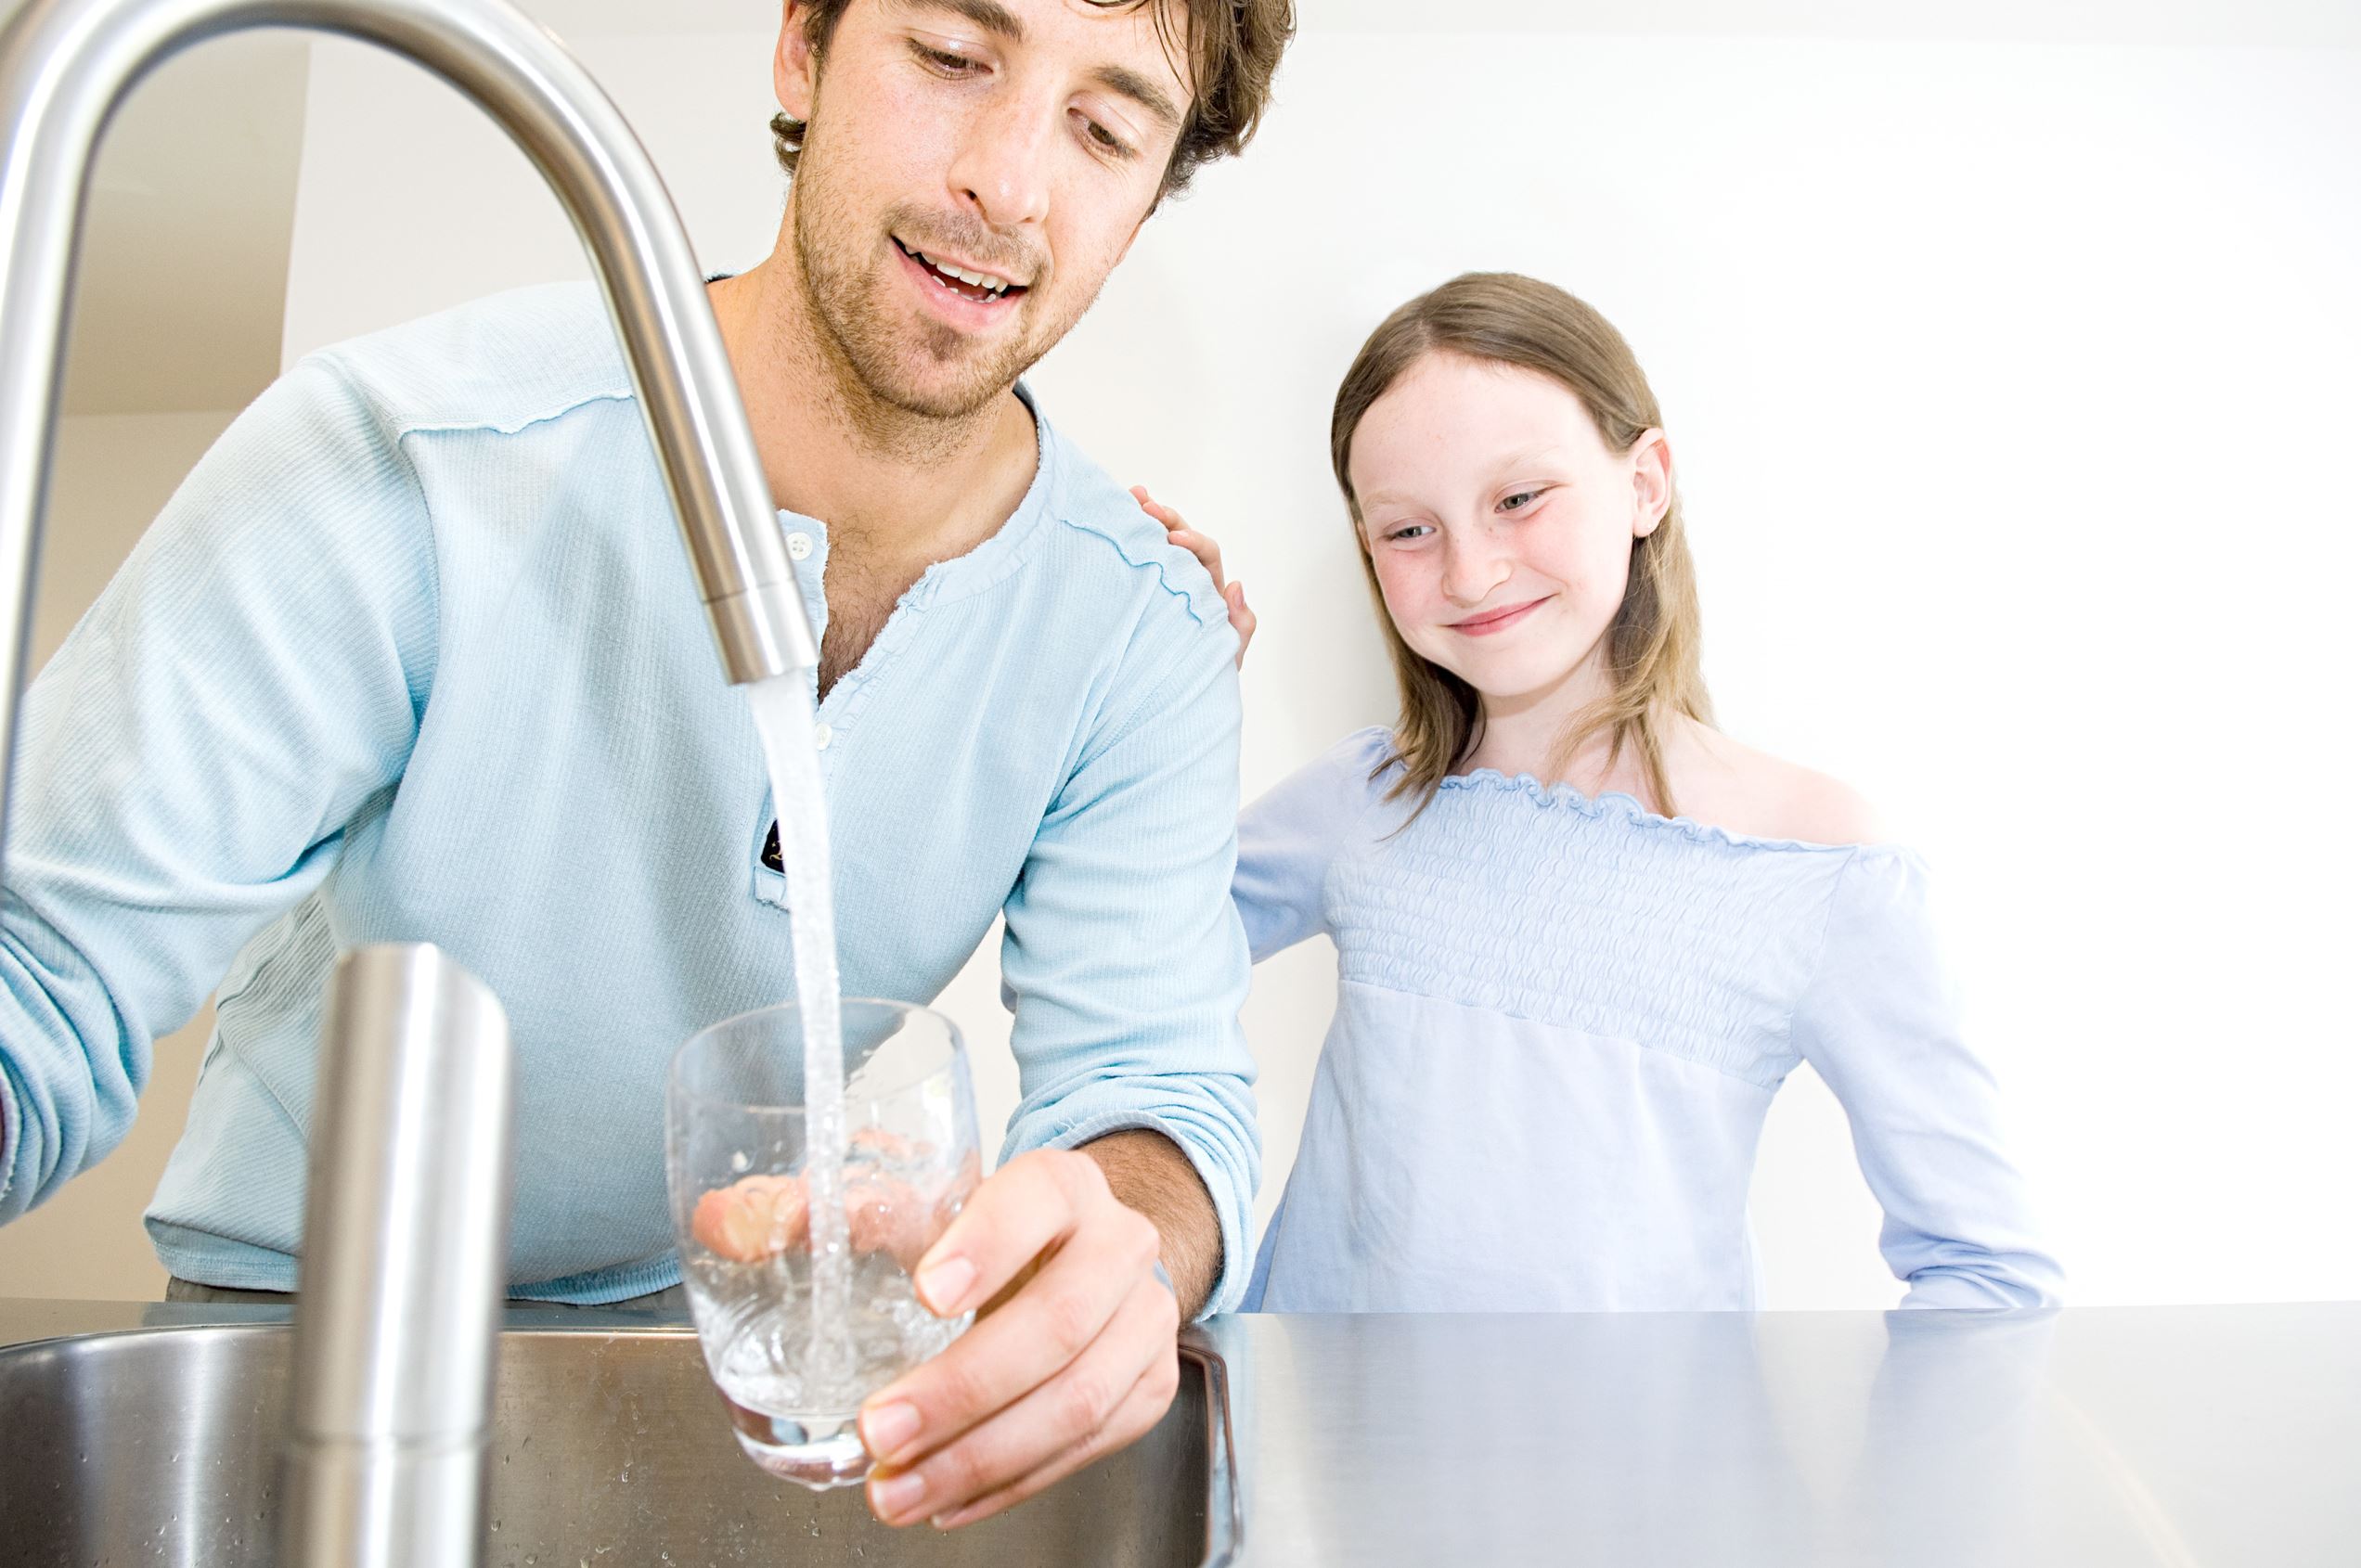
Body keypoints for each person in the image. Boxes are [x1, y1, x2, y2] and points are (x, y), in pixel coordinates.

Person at [0, 0, 1295, 1529]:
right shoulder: (408, 456)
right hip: (296, 1341)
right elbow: (46, 980)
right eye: (953, 56)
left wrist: (1113, 1246)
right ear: (801, 50)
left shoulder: (1135, 629)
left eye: (1103, 127)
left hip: (710, 1370)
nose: (1007, 188)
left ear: (1148, 191)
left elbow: (1153, 1097)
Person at [1157, 272, 2062, 1313]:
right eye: (1409, 529)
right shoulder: (1368, 799)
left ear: (1646, 483)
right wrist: (1167, 711)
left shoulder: (1815, 859)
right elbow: (1128, 941)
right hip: (1320, 1465)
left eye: (1518, 498)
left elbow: (1990, 1271)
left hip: (1645, 1478)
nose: (1471, 572)